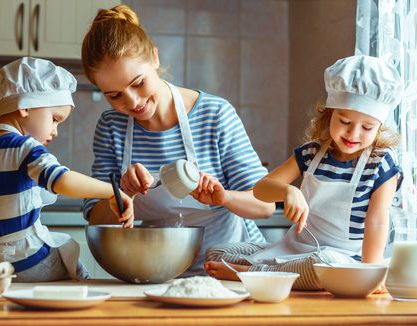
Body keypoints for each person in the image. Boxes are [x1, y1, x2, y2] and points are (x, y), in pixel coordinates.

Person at [81, 4, 276, 276]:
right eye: (115, 95)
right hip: (158, 274)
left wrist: (223, 197)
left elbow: (265, 205)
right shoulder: (111, 127)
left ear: (155, 58)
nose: (133, 102)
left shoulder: (215, 115)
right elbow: (95, 219)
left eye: (138, 83)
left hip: (231, 270)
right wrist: (123, 195)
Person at [205, 55, 403, 290]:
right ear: (329, 114)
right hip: (296, 251)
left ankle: (252, 274)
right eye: (344, 121)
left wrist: (370, 274)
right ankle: (266, 274)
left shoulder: (382, 162)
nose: (353, 133)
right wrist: (288, 191)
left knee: (324, 267)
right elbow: (260, 189)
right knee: (218, 253)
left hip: (341, 259)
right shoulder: (312, 153)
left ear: (379, 127)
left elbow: (378, 221)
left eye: (367, 127)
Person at [0, 57, 134, 282]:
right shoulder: (26, 148)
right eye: (55, 118)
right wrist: (111, 191)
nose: (55, 130)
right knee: (70, 256)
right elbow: (62, 180)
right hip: (29, 260)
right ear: (25, 106)